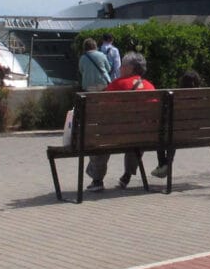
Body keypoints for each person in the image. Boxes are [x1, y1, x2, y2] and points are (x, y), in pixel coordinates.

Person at [85, 51, 154, 192]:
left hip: (116, 136)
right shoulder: (150, 86)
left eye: (122, 66)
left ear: (130, 68)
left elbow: (101, 109)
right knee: (137, 133)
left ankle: (97, 180)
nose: (119, 68)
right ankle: (127, 175)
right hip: (144, 136)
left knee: (101, 136)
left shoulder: (118, 84)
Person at [152, 69, 203, 178]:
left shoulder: (174, 96)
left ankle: (163, 164)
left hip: (175, 134)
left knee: (166, 133)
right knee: (174, 133)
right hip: (197, 134)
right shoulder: (202, 98)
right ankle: (166, 164)